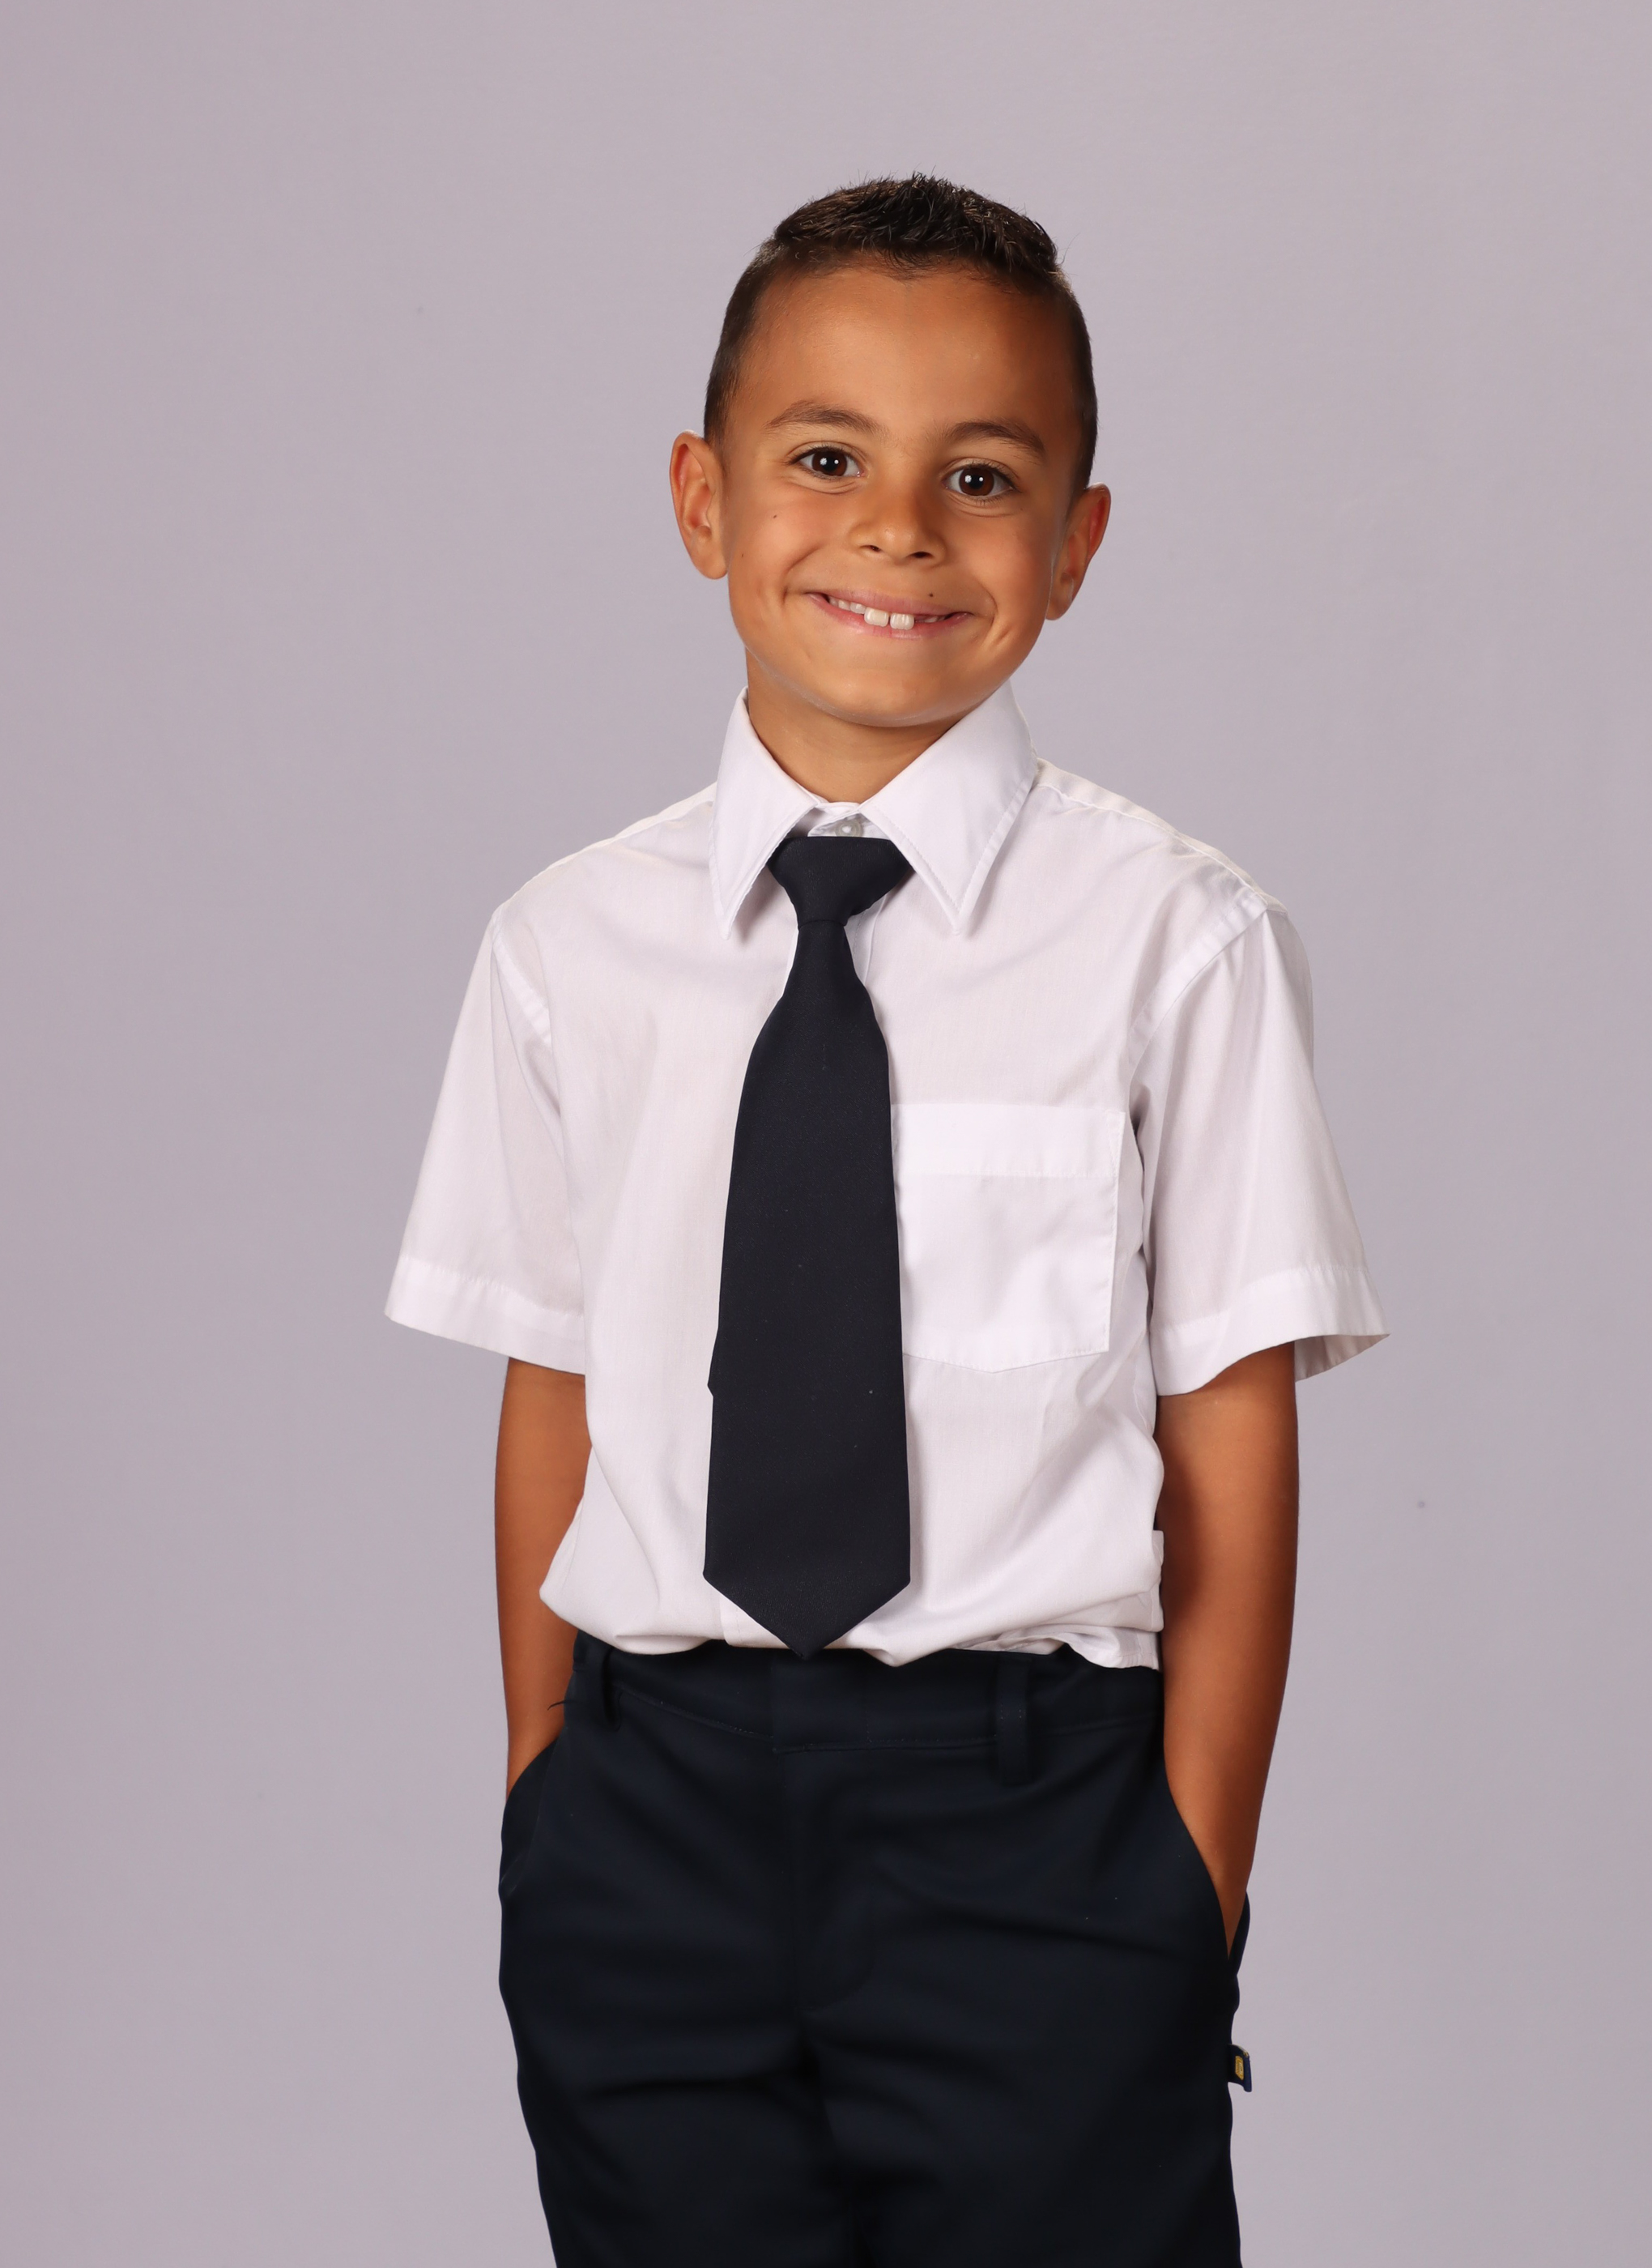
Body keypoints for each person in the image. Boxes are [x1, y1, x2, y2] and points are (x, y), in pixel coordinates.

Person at [387, 173, 1384, 2268]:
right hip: (651, 1814)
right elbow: (556, 1383)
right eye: (826, 458)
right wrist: (547, 1793)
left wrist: (1192, 1884)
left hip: (1035, 1818)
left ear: (1077, 543)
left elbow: (1230, 1425)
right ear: (703, 499)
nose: (900, 529)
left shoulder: (1174, 941)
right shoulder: (567, 947)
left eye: (982, 476)